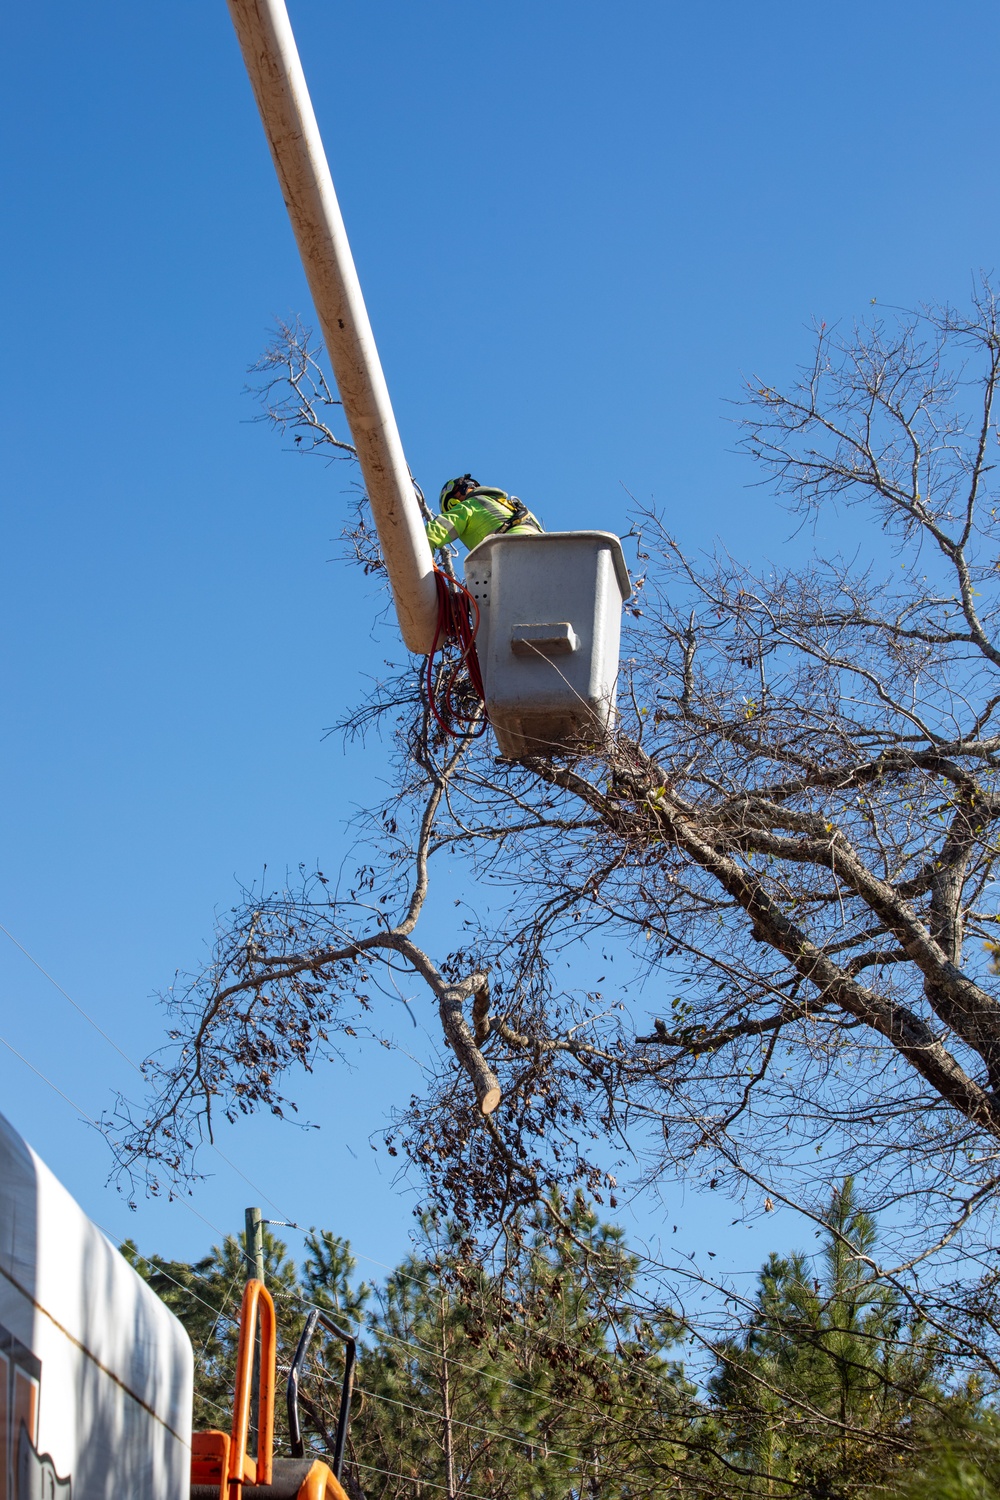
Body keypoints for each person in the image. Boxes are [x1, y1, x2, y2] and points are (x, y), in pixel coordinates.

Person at [425, 474, 543, 553]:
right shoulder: (513, 505)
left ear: (451, 502)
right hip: (545, 551)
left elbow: (431, 534)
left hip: (509, 551)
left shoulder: (470, 505)